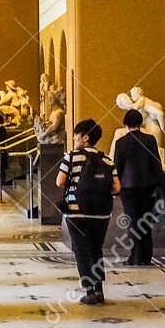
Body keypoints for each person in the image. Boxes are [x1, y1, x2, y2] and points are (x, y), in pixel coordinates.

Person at [56, 119, 120, 304]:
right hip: (101, 212)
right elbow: (116, 187)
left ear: (85, 137)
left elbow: (60, 181)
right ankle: (99, 289)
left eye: (76, 134)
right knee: (95, 249)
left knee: (81, 249)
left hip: (77, 212)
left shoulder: (72, 156)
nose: (74, 138)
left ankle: (89, 291)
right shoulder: (107, 159)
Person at [112, 108, 164, 265]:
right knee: (146, 222)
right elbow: (157, 164)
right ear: (140, 123)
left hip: (128, 188)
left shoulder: (121, 143)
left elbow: (117, 167)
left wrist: (115, 187)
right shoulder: (151, 140)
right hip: (148, 187)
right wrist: (158, 185)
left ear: (126, 124)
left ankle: (135, 257)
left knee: (133, 222)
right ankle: (146, 257)